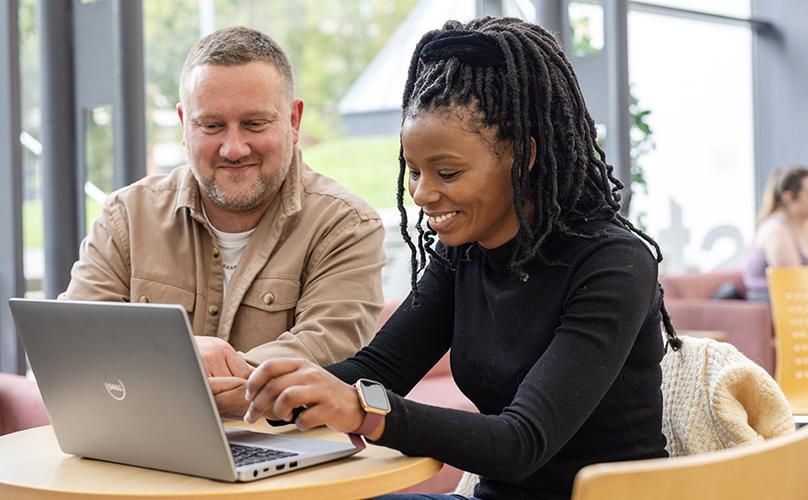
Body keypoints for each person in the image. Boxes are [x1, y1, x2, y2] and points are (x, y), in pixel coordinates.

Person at [241, 17, 680, 500]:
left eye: (447, 172)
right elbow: (377, 370)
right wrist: (252, 385)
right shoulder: (463, 256)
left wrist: (363, 411)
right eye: (413, 171)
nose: (423, 194)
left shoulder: (614, 263)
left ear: (525, 156)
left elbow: (521, 442)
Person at [60, 26, 386, 418]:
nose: (233, 148)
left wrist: (160, 365)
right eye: (211, 126)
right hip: (145, 460)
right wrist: (189, 355)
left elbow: (323, 354)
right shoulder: (126, 216)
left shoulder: (347, 226)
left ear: (294, 121)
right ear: (184, 124)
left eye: (254, 124)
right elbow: (73, 342)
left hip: (293, 465)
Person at [742, 165, 808, 301]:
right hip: (775, 305)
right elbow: (796, 284)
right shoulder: (776, 230)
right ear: (788, 198)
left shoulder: (802, 224)